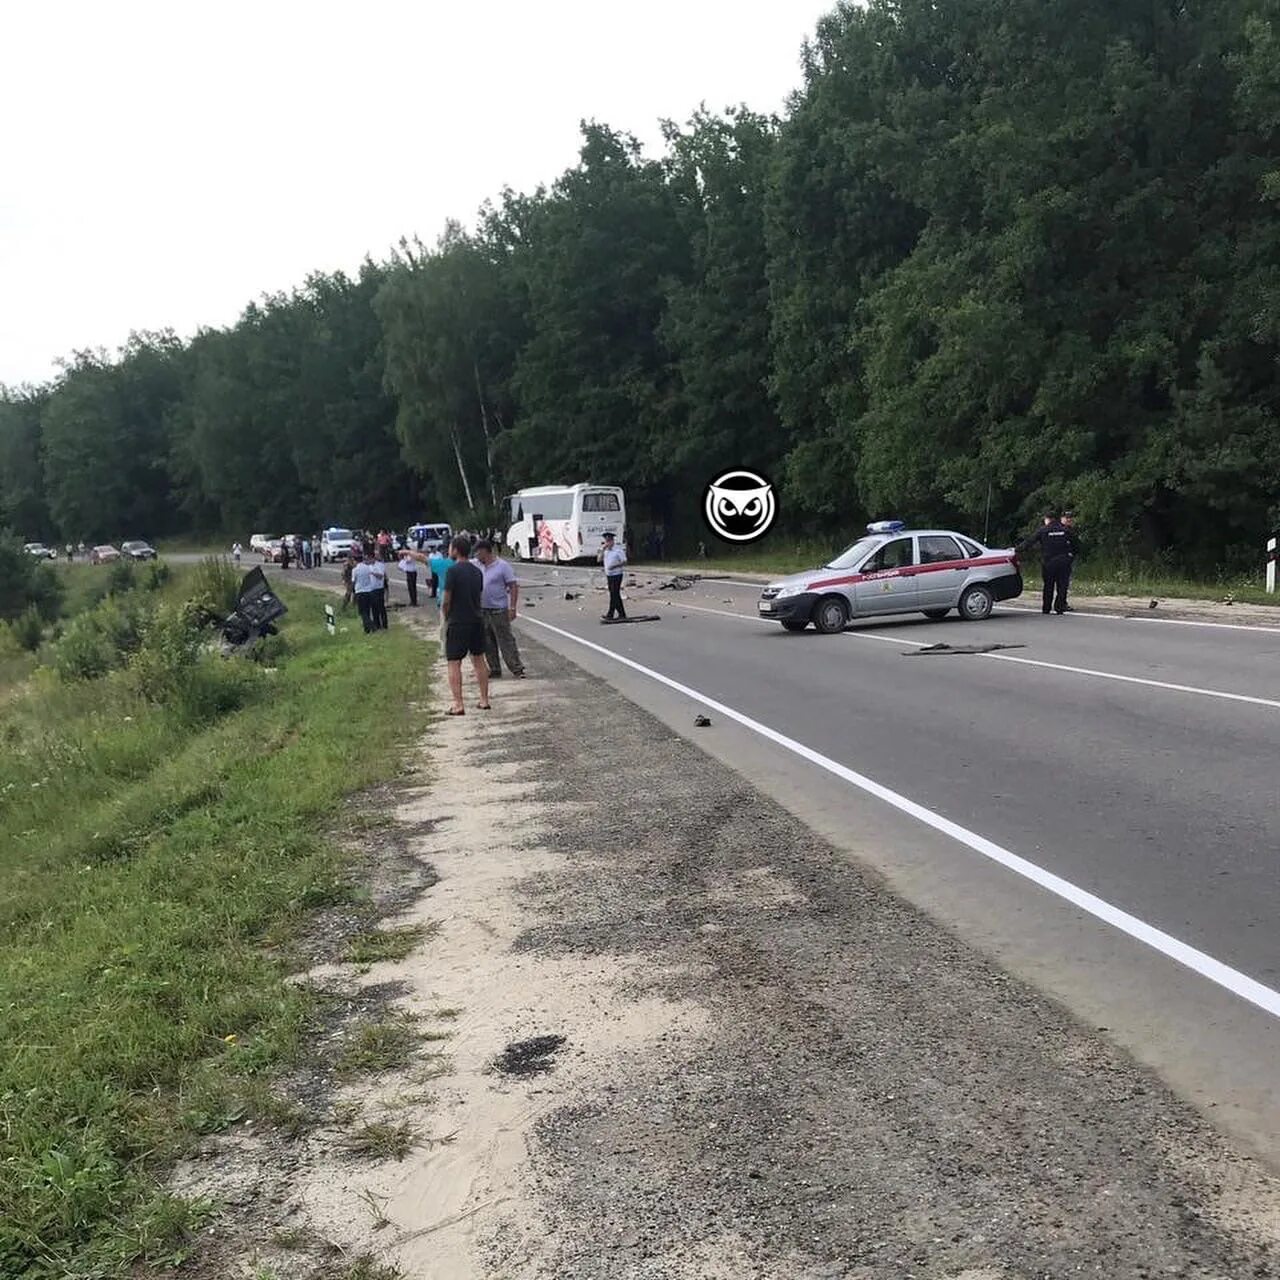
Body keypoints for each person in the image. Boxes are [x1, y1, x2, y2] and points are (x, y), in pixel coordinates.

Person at [441, 536, 490, 715]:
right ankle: (484, 699)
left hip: (458, 620)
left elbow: (447, 599)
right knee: (479, 659)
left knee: (454, 662)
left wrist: (446, 616)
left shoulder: (452, 571)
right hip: (476, 619)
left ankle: (458, 703)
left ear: (455, 550)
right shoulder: (477, 571)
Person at [473, 539, 525, 679]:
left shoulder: (502, 566)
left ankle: (516, 668)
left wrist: (512, 607)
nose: (476, 555)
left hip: (498, 610)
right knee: (487, 641)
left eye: (478, 552)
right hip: (482, 609)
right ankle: (494, 668)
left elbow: (513, 586)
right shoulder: (476, 565)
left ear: (485, 551)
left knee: (505, 640)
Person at [1018, 509, 1078, 615]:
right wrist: (1071, 557)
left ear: (1048, 519)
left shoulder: (1043, 530)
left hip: (1049, 563)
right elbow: (1076, 544)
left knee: (1048, 586)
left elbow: (1029, 542)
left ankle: (1046, 608)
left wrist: (1016, 549)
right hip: (1064, 562)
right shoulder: (1065, 530)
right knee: (1062, 586)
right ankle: (1059, 607)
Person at [599, 530, 627, 620]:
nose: (607, 543)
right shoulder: (605, 551)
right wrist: (602, 550)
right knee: (614, 594)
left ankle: (610, 614)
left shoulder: (618, 550)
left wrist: (614, 566)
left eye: (609, 541)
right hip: (609, 575)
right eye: (606, 541)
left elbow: (624, 561)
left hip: (617, 574)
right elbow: (598, 560)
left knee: (614, 595)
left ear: (612, 541)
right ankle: (622, 614)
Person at [351, 550, 381, 633]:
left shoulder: (355, 570)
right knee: (367, 611)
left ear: (355, 560)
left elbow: (353, 581)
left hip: (360, 591)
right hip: (369, 591)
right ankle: (366, 630)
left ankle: (372, 626)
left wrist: (352, 591)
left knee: (362, 612)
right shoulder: (367, 567)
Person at [1061, 511, 1078, 611]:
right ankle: (1061, 603)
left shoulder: (1071, 530)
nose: (1069, 519)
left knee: (1066, 582)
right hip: (1063, 559)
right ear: (1062, 518)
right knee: (1063, 582)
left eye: (1070, 517)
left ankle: (1062, 601)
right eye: (1066, 517)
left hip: (1070, 559)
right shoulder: (1061, 530)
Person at [369, 553, 388, 629]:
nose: (368, 561)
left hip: (379, 588)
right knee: (374, 608)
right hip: (371, 589)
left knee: (381, 607)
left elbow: (381, 576)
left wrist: (373, 573)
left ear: (373, 558)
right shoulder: (368, 566)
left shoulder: (380, 565)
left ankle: (384, 624)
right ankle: (377, 625)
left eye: (369, 559)